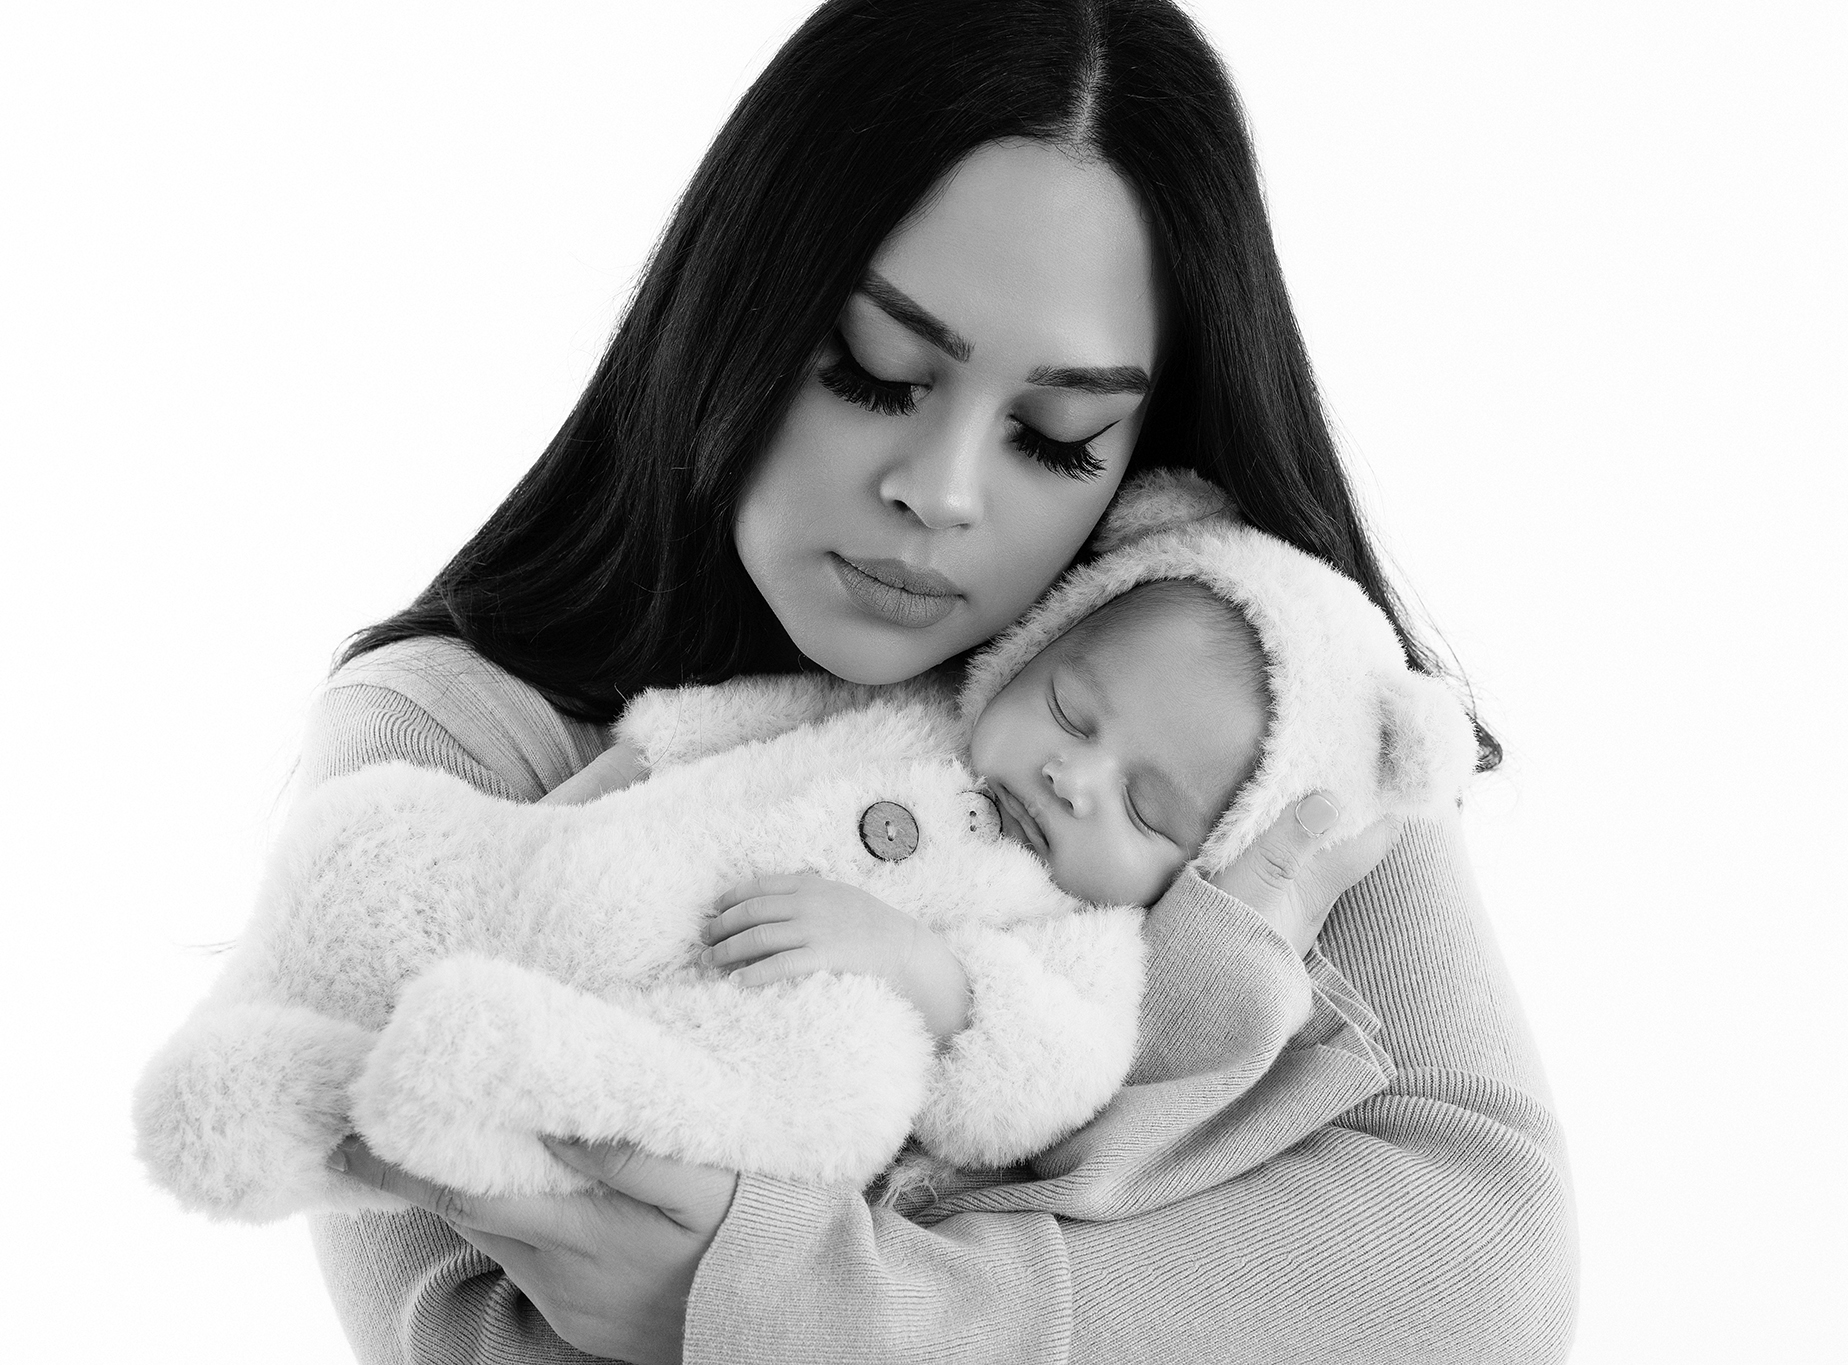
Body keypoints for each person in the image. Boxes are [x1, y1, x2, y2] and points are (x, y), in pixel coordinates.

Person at [309, 1, 1575, 1361]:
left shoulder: (1231, 685)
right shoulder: (444, 739)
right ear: (735, 302)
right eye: (876, 368)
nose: (943, 493)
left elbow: (1480, 1274)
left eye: (1056, 433)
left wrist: (808, 1299)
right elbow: (489, 1336)